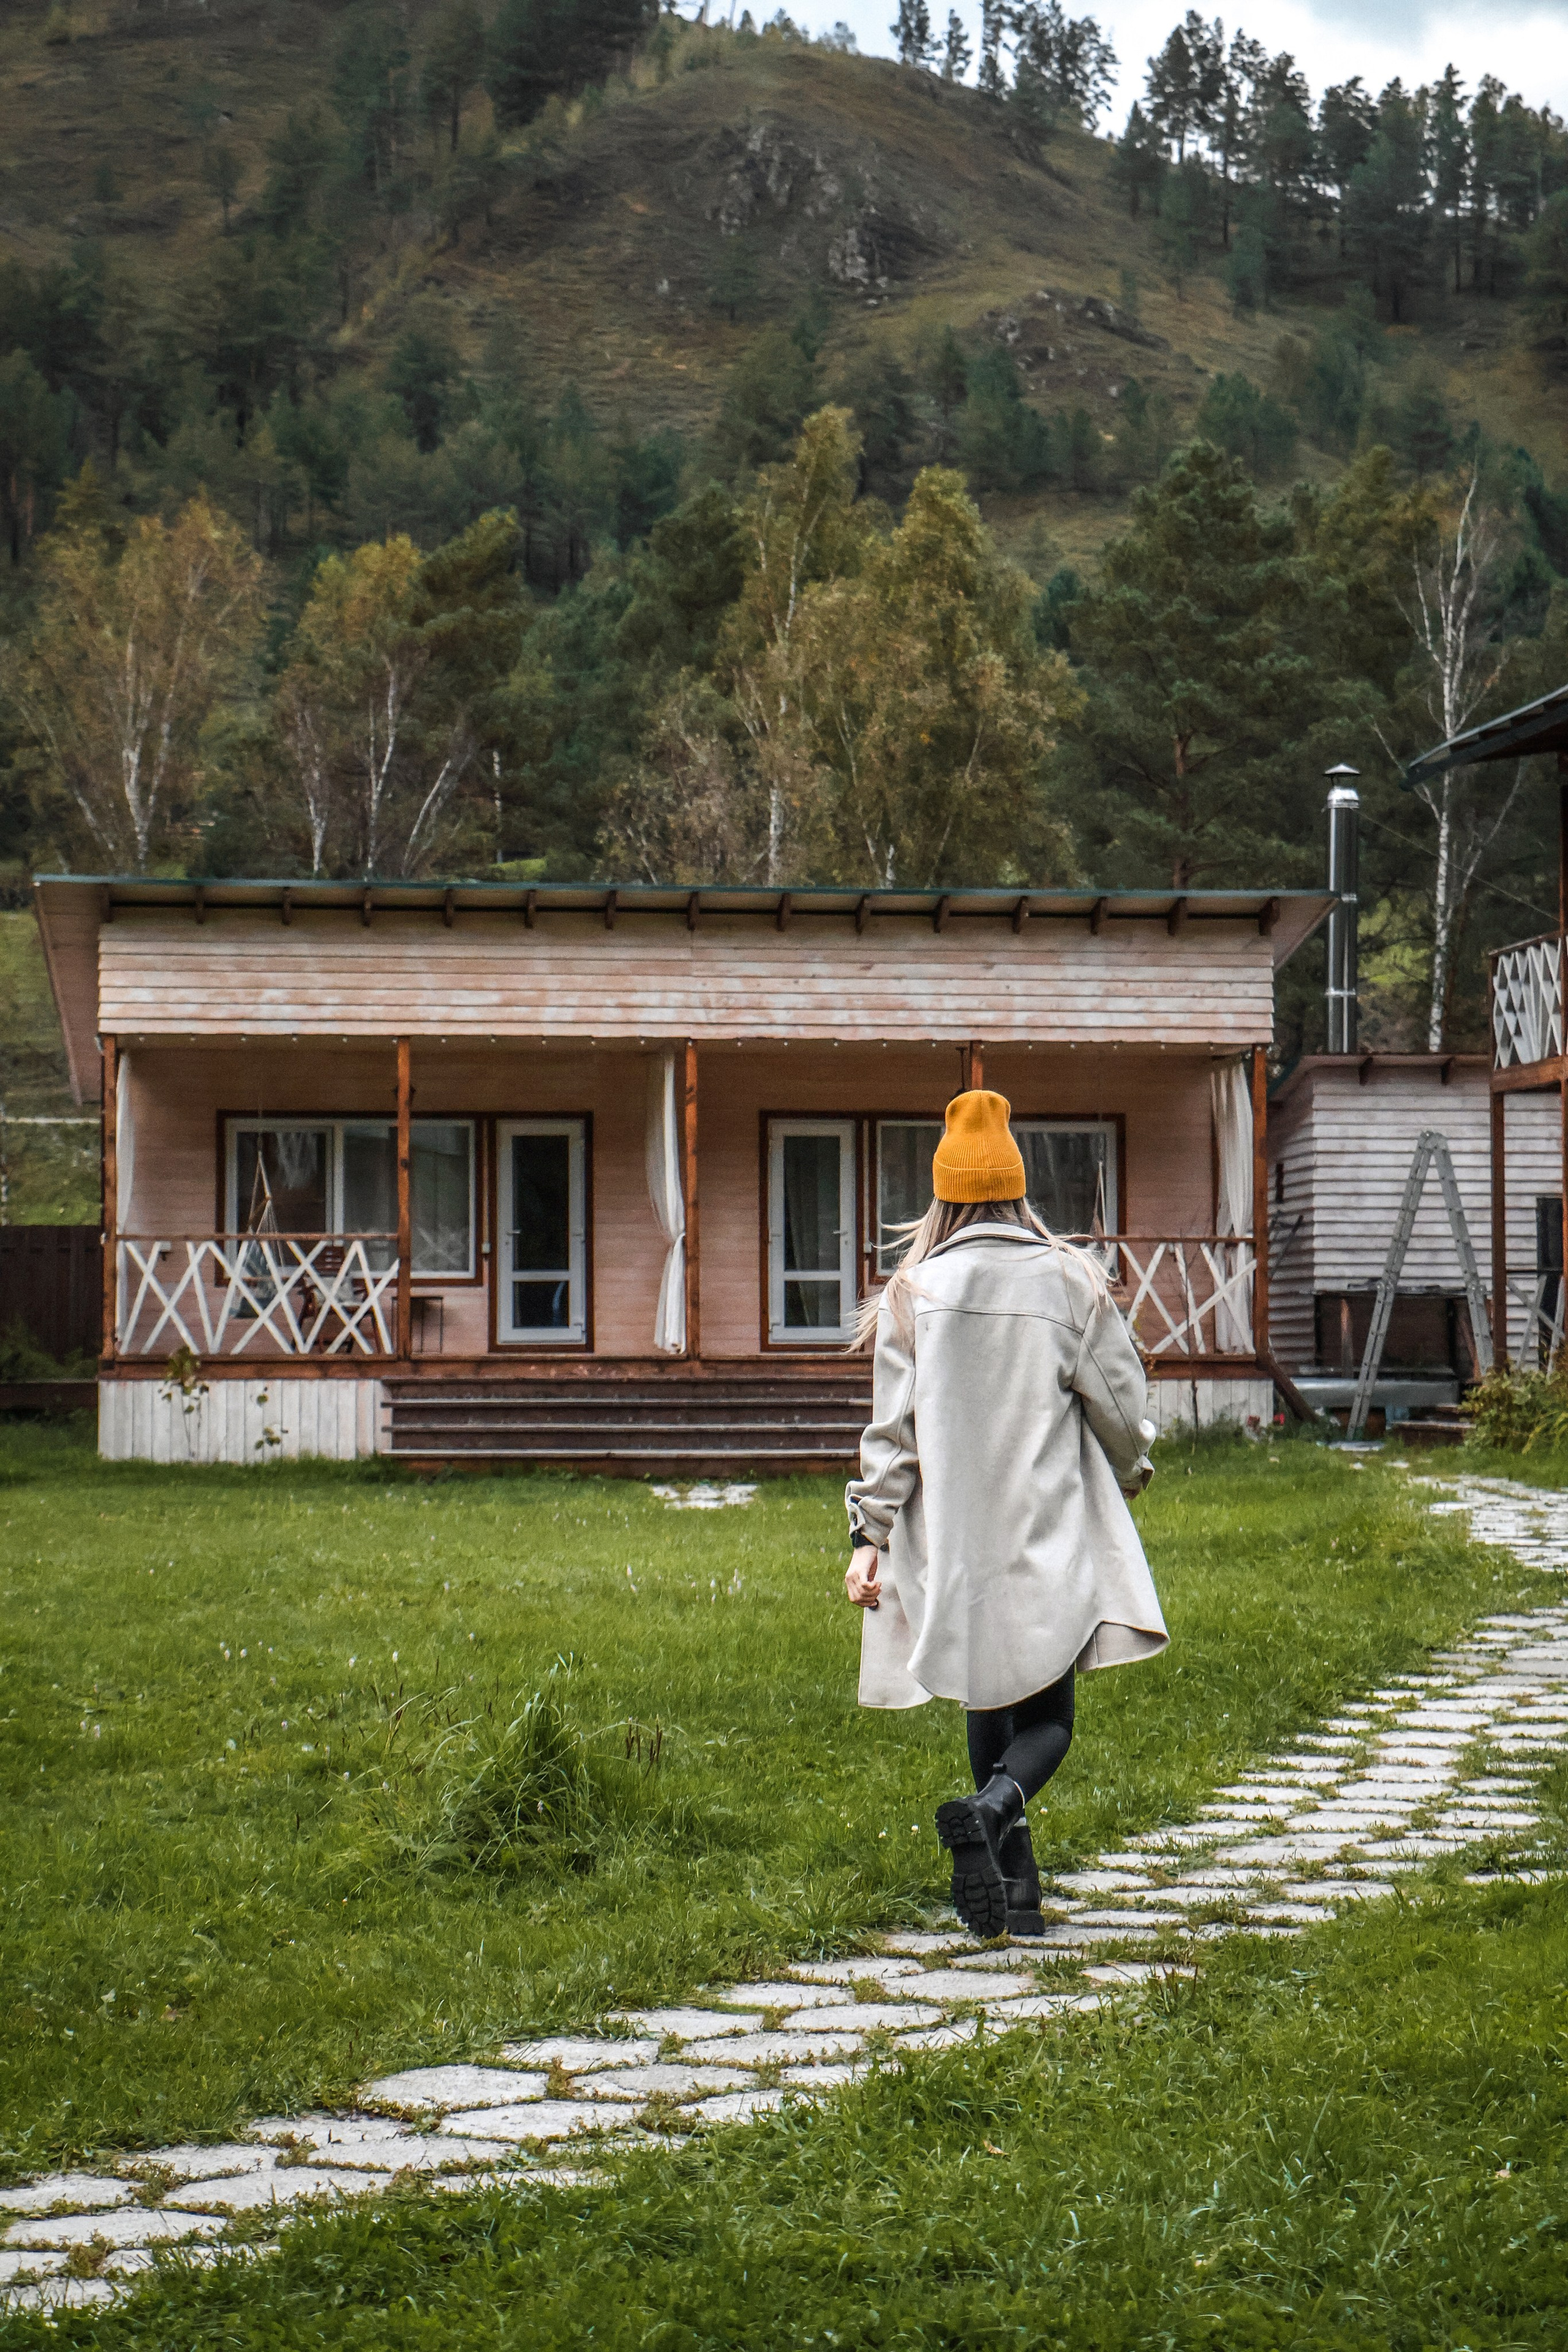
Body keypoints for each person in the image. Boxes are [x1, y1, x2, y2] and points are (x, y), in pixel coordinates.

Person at [844, 1089, 1167, 1940]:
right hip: (1044, 1524)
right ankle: (991, 1813)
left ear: (943, 1196)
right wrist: (1133, 1467)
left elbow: (893, 1432)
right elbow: (1120, 1401)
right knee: (1050, 1717)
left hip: (952, 1534)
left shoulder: (914, 1291)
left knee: (984, 1695)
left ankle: (1018, 1896)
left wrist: (868, 1535)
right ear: (1019, 1189)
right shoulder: (1068, 1280)